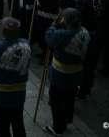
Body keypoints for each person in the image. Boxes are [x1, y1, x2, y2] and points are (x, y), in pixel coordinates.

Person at [0, 17, 31, 137]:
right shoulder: (26, 43)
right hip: (19, 92)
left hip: (1, 94)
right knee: (18, 122)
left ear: (3, 31)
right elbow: (10, 47)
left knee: (2, 125)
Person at [44, 8, 90, 136]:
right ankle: (68, 118)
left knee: (56, 100)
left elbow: (49, 38)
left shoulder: (64, 34)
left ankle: (58, 127)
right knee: (70, 97)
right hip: (77, 71)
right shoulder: (84, 32)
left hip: (61, 72)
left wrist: (54, 24)